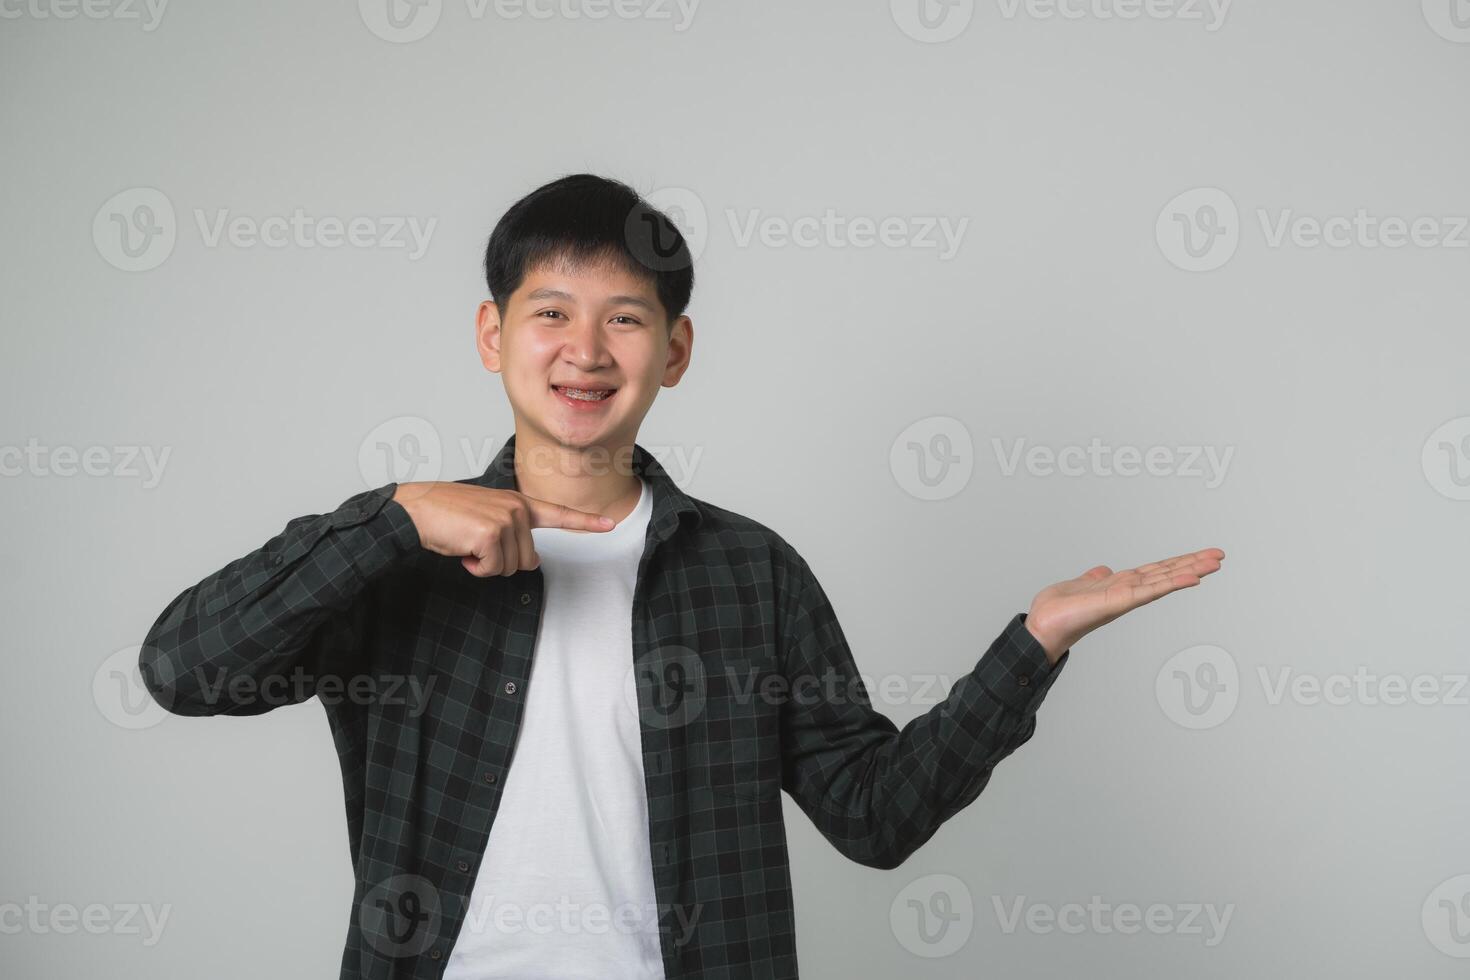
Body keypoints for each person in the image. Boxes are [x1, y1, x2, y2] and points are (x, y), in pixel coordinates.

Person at [139, 173, 1224, 980]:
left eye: (624, 317)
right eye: (550, 313)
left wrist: (1031, 644)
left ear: (676, 348)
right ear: (493, 332)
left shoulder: (751, 573)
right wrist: (390, 517)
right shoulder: (397, 556)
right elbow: (183, 665)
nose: (585, 350)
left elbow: (872, 814)